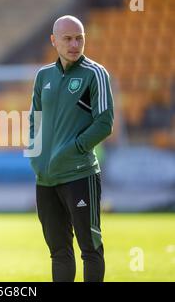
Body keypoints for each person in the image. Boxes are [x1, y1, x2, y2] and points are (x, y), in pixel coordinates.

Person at [28, 15, 114, 282]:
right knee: (58, 252)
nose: (75, 44)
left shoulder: (95, 74)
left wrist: (74, 148)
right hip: (46, 179)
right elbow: (35, 120)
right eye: (68, 38)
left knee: (90, 248)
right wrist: (36, 156)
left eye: (79, 38)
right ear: (54, 40)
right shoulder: (44, 76)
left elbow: (104, 123)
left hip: (80, 175)